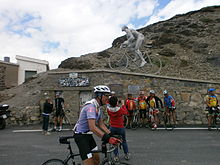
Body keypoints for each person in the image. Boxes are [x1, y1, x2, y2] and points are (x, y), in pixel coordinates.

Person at [73, 85, 121, 165]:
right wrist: (107, 138)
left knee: (96, 161)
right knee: (90, 163)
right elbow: (92, 127)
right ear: (99, 96)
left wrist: (111, 135)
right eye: (106, 96)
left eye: (108, 96)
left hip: (88, 136)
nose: (108, 98)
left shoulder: (98, 107)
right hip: (81, 136)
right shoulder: (90, 106)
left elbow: (101, 124)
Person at [107, 96, 130, 161]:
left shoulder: (108, 109)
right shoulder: (120, 109)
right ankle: (126, 154)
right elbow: (126, 113)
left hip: (112, 127)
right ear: (116, 102)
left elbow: (112, 106)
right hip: (120, 127)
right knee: (123, 141)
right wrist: (123, 104)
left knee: (114, 141)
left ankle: (116, 156)